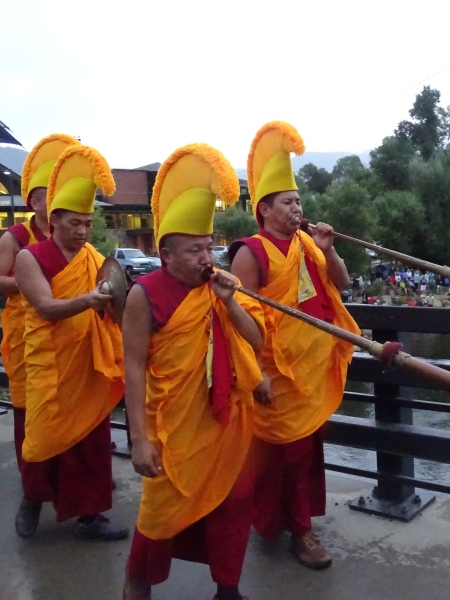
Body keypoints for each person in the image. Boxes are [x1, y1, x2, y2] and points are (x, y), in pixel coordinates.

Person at [123, 144, 265, 600]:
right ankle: (137, 582)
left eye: (209, 247)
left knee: (233, 500)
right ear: (165, 254)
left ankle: (227, 586)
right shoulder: (145, 295)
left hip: (224, 419)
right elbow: (133, 365)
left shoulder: (221, 287)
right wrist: (139, 439)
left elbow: (258, 340)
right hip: (174, 424)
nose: (207, 258)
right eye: (194, 250)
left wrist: (228, 301)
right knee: (162, 509)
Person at [230, 122, 359, 570]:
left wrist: (329, 249)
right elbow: (237, 318)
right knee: (279, 456)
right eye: (288, 202)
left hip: (312, 368)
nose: (297, 207)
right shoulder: (251, 252)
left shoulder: (307, 242)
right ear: (264, 209)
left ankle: (296, 523)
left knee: (304, 455)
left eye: (299, 200)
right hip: (276, 374)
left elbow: (340, 283)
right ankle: (291, 529)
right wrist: (255, 374)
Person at [14, 144, 127, 541]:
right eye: (74, 223)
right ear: (53, 221)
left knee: (91, 443)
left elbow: (116, 301)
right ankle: (31, 499)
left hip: (88, 363)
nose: (82, 231)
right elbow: (45, 308)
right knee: (43, 438)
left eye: (86, 223)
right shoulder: (30, 257)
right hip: (50, 364)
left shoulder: (94, 257)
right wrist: (88, 300)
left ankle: (90, 518)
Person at [0, 135, 79, 518]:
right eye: (47, 193)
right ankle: (33, 497)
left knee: (79, 415)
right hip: (31, 338)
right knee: (34, 418)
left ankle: (84, 505)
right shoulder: (17, 236)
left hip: (74, 338)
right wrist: (37, 284)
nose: (54, 199)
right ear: (35, 201)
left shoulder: (74, 233)